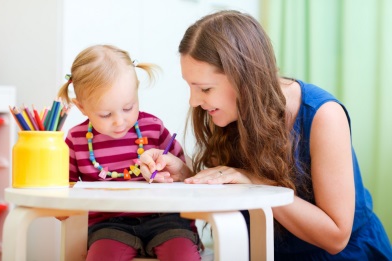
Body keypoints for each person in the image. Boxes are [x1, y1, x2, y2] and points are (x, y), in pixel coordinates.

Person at [139, 10, 392, 260]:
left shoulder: (323, 115)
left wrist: (255, 183)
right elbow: (234, 183)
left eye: (205, 88)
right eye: (191, 87)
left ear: (244, 79)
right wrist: (186, 175)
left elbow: (336, 237)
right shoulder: (228, 112)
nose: (194, 101)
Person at [57, 44, 202, 261]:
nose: (119, 121)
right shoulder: (76, 141)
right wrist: (62, 207)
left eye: (128, 107)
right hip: (108, 227)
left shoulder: (153, 128)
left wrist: (172, 172)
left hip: (167, 220)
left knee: (183, 256)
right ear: (82, 107)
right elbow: (63, 190)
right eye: (105, 114)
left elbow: (188, 177)